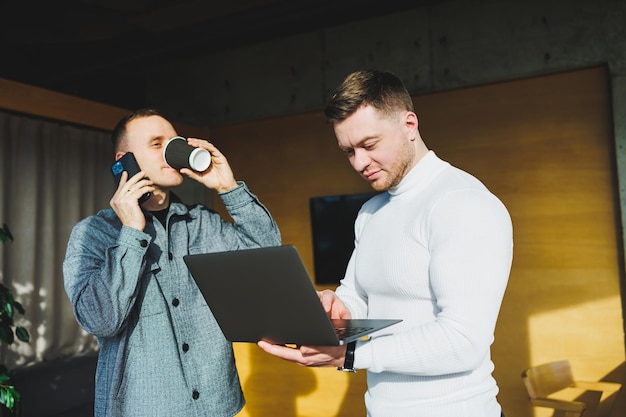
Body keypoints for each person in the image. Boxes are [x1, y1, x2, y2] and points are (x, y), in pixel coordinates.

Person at [258, 70, 513, 417]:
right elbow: (359, 295)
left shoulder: (463, 203)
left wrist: (349, 356)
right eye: (348, 151)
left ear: (409, 124)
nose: (359, 163)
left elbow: (464, 342)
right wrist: (339, 307)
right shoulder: (370, 212)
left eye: (369, 145)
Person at [63, 108, 281, 417]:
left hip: (217, 407)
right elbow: (101, 320)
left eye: (173, 141)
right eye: (156, 143)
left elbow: (267, 260)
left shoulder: (202, 223)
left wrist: (228, 188)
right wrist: (131, 234)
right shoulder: (93, 234)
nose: (171, 149)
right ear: (124, 160)